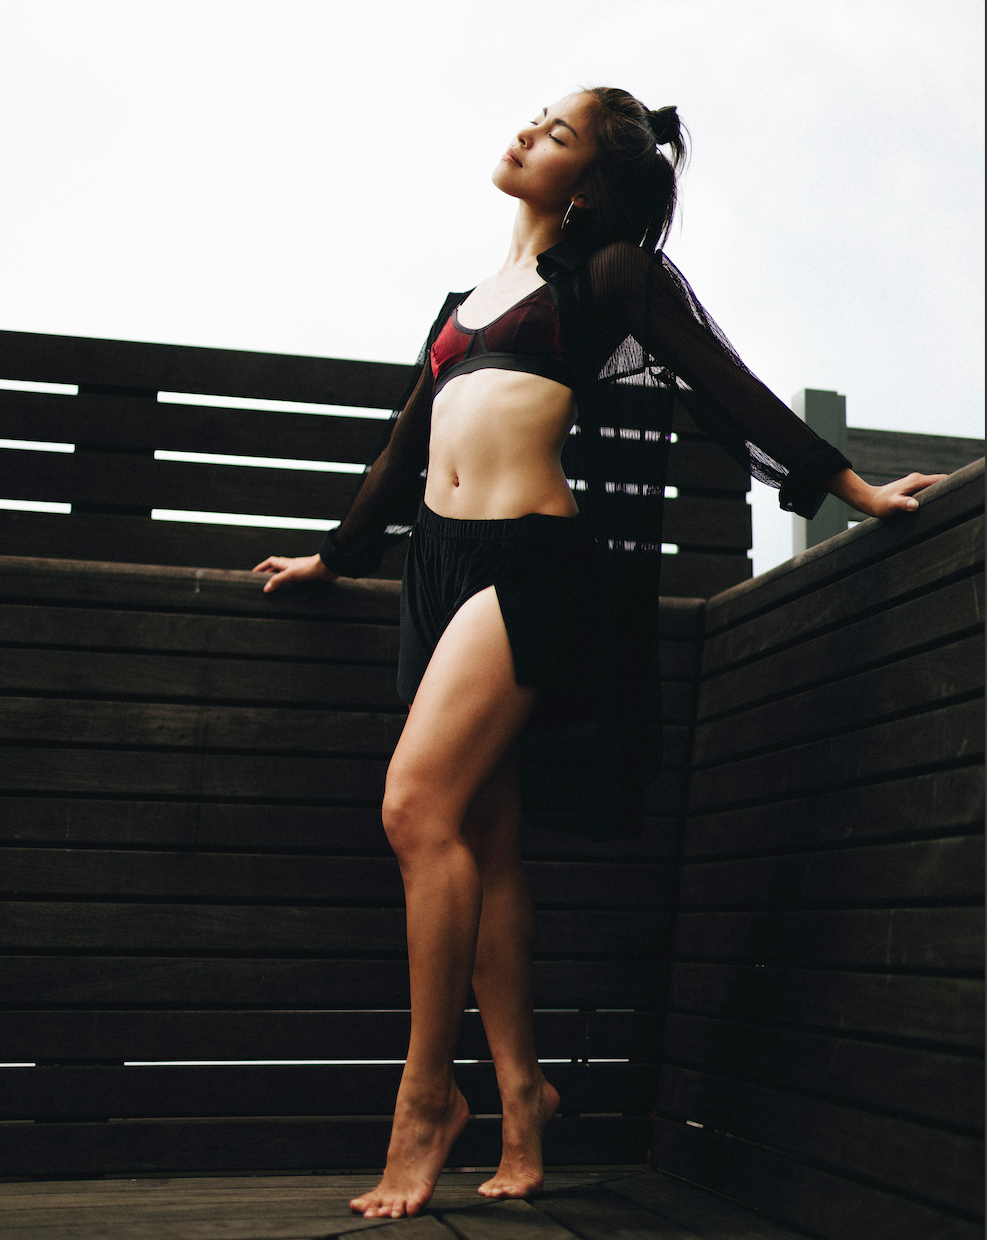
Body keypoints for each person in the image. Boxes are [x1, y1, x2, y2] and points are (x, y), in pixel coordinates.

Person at [253, 88, 944, 1220]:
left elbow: (722, 384)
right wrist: (335, 560)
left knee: (414, 809)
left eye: (555, 132)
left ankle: (428, 1099)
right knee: (484, 835)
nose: (525, 131)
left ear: (586, 186)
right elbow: (403, 445)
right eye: (533, 117)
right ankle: (525, 1097)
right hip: (433, 571)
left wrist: (847, 486)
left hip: (529, 563)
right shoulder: (460, 303)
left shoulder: (609, 275)